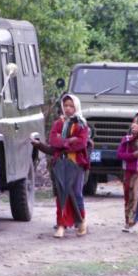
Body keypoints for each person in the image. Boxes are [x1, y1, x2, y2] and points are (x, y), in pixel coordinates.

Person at [40, 94, 90, 238]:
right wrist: (69, 142)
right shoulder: (58, 123)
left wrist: (63, 143)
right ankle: (61, 225)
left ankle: (81, 222)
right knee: (62, 194)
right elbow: (53, 141)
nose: (68, 108)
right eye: (66, 105)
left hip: (76, 164)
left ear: (76, 107)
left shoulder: (82, 124)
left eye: (71, 106)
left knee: (76, 193)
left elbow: (81, 143)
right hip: (60, 164)